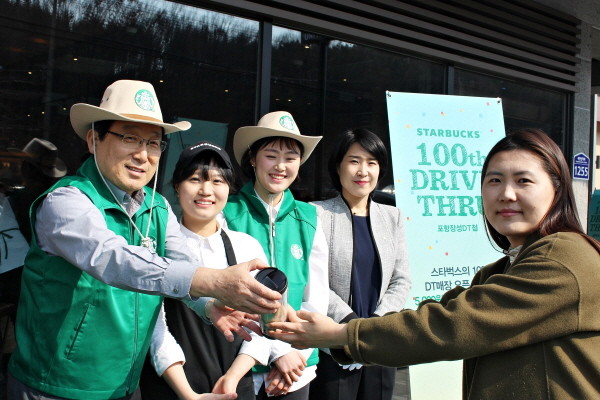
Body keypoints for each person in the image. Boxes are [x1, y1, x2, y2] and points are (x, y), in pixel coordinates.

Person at [269, 128, 600, 400]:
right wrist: (343, 329)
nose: (506, 194)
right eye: (495, 180)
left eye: (524, 181)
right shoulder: (502, 269)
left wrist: (344, 334)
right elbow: (441, 312)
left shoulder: (564, 258)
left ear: (558, 190)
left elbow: (448, 322)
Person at [7, 80, 281, 400]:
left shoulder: (157, 206)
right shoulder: (66, 201)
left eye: (153, 143)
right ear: (94, 140)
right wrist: (214, 281)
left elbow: (182, 265)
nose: (143, 154)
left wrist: (209, 305)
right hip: (56, 386)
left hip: (127, 384)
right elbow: (113, 259)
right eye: (129, 137)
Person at [216, 111, 329, 399]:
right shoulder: (227, 213)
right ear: (253, 158)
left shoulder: (310, 217)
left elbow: (316, 299)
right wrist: (277, 352)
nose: (281, 166)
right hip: (238, 366)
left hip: (296, 371)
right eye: (271, 155)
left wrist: (294, 354)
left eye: (290, 157)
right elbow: (227, 295)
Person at [139, 141, 264, 400]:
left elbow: (263, 323)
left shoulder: (246, 246)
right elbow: (154, 329)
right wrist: (187, 393)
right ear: (176, 186)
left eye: (218, 181)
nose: (206, 190)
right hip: (172, 388)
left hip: (235, 388)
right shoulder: (154, 247)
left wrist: (232, 379)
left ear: (229, 189)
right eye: (195, 179)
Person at [309, 128, 411, 400]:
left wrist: (375, 326)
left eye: (372, 162)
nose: (363, 171)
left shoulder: (393, 216)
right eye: (354, 161)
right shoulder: (316, 214)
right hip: (334, 341)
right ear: (338, 166)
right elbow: (313, 280)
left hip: (379, 343)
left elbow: (401, 280)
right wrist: (350, 326)